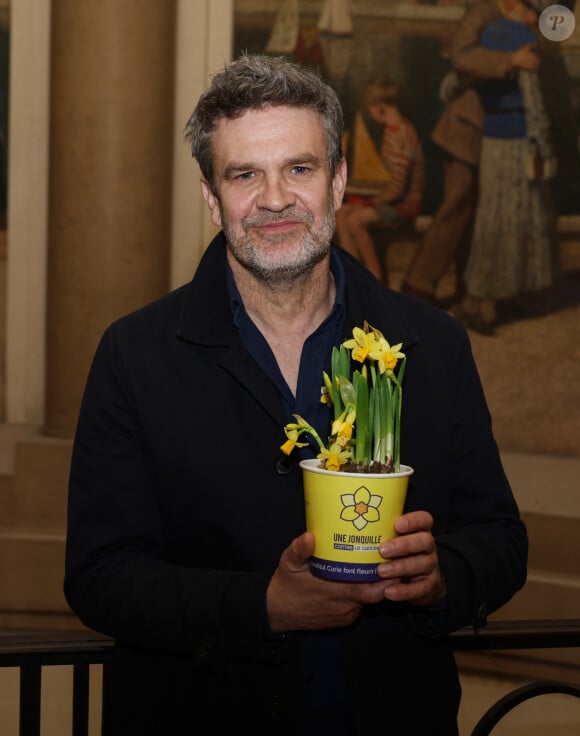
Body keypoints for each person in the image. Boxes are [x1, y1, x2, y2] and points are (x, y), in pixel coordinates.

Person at [63, 54, 527, 735]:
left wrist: (440, 577)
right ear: (210, 195)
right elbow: (100, 576)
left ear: (339, 181)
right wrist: (262, 605)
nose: (275, 199)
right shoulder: (135, 355)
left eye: (299, 169)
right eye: (245, 173)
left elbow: (501, 541)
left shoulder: (432, 343)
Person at [400, 0, 542, 307]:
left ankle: (469, 290)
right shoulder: (483, 12)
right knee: (457, 203)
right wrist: (511, 59)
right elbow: (461, 56)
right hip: (465, 126)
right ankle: (417, 286)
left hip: (495, 130)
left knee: (478, 210)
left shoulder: (518, 17)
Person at [454, 0, 557, 334]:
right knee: (505, 217)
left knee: (499, 216)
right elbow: (534, 97)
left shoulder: (499, 31)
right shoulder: (514, 34)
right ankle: (480, 300)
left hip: (499, 134)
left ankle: (490, 297)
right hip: (513, 137)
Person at [335, 77, 424, 283]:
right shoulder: (394, 131)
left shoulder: (399, 137)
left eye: (372, 109)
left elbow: (398, 188)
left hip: (404, 206)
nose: (370, 114)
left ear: (380, 108)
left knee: (354, 219)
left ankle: (374, 277)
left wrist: (367, 203)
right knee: (342, 216)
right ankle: (353, 276)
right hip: (394, 202)